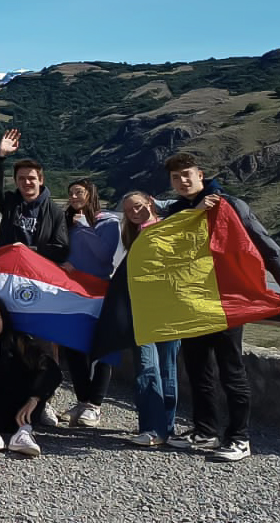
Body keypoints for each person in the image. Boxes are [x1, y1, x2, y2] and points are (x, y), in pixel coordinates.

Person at [161, 152, 280, 462]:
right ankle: (205, 431)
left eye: (187, 174)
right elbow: (164, 247)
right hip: (192, 301)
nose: (182, 181)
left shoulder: (231, 206)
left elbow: (264, 243)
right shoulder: (175, 211)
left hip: (227, 301)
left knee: (231, 370)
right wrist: (194, 213)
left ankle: (239, 438)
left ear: (201, 174)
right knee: (198, 370)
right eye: (175, 177)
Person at [118, 191, 181, 448]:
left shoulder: (170, 228)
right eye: (129, 210)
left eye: (139, 206)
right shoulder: (130, 236)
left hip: (168, 311)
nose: (135, 213)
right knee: (147, 367)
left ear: (151, 203)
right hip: (140, 312)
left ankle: (167, 425)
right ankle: (151, 427)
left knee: (167, 369)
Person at [0, 296, 63, 457]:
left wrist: (36, 398)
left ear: (4, 318)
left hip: (19, 410)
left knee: (36, 378)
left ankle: (24, 433)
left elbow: (51, 371)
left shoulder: (20, 342)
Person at [60, 178, 121, 428]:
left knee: (101, 348)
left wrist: (85, 225)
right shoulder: (68, 222)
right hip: (72, 291)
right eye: (71, 193)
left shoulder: (109, 222)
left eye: (79, 193)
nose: (74, 197)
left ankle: (95, 404)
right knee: (73, 348)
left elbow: (104, 254)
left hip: (98, 292)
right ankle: (83, 400)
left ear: (90, 194)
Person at [0, 129, 69, 263]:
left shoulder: (55, 212)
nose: (27, 182)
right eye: (21, 178)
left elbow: (61, 249)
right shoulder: (9, 203)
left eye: (31, 178)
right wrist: (0, 156)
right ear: (15, 181)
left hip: (35, 270)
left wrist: (28, 250)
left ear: (40, 180)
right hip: (6, 265)